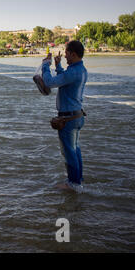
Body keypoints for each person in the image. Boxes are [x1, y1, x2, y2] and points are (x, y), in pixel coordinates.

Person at [41, 40, 88, 192]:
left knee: (69, 151)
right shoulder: (80, 70)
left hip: (68, 118)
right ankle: (77, 180)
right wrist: (58, 66)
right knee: (75, 149)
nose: (65, 56)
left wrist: (45, 65)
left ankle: (72, 184)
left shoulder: (73, 72)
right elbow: (65, 80)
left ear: (73, 54)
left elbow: (49, 83)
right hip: (76, 116)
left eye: (67, 53)